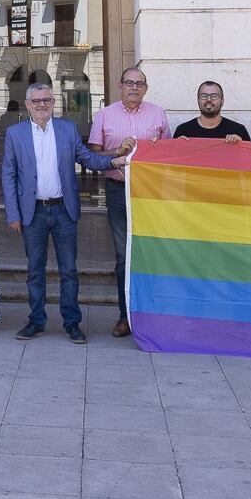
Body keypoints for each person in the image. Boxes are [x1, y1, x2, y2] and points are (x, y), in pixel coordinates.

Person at [4, 81, 130, 344]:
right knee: (35, 271)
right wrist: (13, 213)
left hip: (63, 210)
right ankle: (36, 321)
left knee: (69, 270)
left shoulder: (67, 129)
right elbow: (8, 174)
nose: (42, 105)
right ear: (28, 105)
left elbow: (86, 158)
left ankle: (72, 323)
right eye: (36, 101)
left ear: (53, 103)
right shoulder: (15, 134)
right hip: (32, 213)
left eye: (46, 100)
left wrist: (113, 160)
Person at [88, 66, 168, 338]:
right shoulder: (105, 115)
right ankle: (125, 317)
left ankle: (151, 314)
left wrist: (158, 147)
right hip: (117, 190)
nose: (134, 87)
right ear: (120, 86)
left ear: (145, 88)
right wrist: (117, 151)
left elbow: (168, 155)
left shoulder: (158, 114)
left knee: (150, 254)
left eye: (140, 84)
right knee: (124, 256)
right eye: (129, 83)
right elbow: (94, 156)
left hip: (149, 194)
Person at [173, 81, 249, 140]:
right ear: (198, 100)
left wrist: (241, 146)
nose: (209, 99)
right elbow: (170, 159)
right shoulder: (183, 131)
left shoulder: (238, 130)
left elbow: (250, 159)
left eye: (214, 96)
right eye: (204, 96)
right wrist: (178, 146)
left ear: (222, 101)